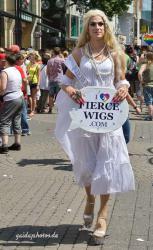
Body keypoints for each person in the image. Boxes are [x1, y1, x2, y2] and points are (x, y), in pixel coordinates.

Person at [55, 9, 135, 245]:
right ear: (87, 28)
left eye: (101, 24)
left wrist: (123, 87)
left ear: (106, 27)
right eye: (93, 24)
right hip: (86, 118)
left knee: (108, 165)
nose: (97, 27)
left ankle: (102, 216)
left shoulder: (115, 53)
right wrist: (70, 90)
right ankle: (90, 199)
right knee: (88, 165)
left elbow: (120, 79)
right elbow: (65, 81)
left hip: (109, 118)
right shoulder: (79, 53)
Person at [0, 54, 23, 154]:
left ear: (6, 61)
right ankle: (17, 143)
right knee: (16, 119)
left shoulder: (5, 72)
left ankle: (4, 145)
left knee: (4, 121)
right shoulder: (17, 70)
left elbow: (3, 87)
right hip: (19, 96)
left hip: (10, 98)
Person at [138, 52, 153, 121]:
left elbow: (139, 73)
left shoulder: (145, 65)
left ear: (146, 57)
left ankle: (150, 116)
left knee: (149, 101)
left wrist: (141, 81)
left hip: (147, 85)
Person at [47, 47, 65, 113]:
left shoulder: (49, 61)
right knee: (59, 96)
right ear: (59, 52)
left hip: (51, 79)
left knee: (51, 95)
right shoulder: (62, 60)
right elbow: (65, 69)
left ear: (53, 52)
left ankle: (50, 108)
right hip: (59, 79)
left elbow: (47, 71)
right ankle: (59, 109)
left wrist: (49, 78)